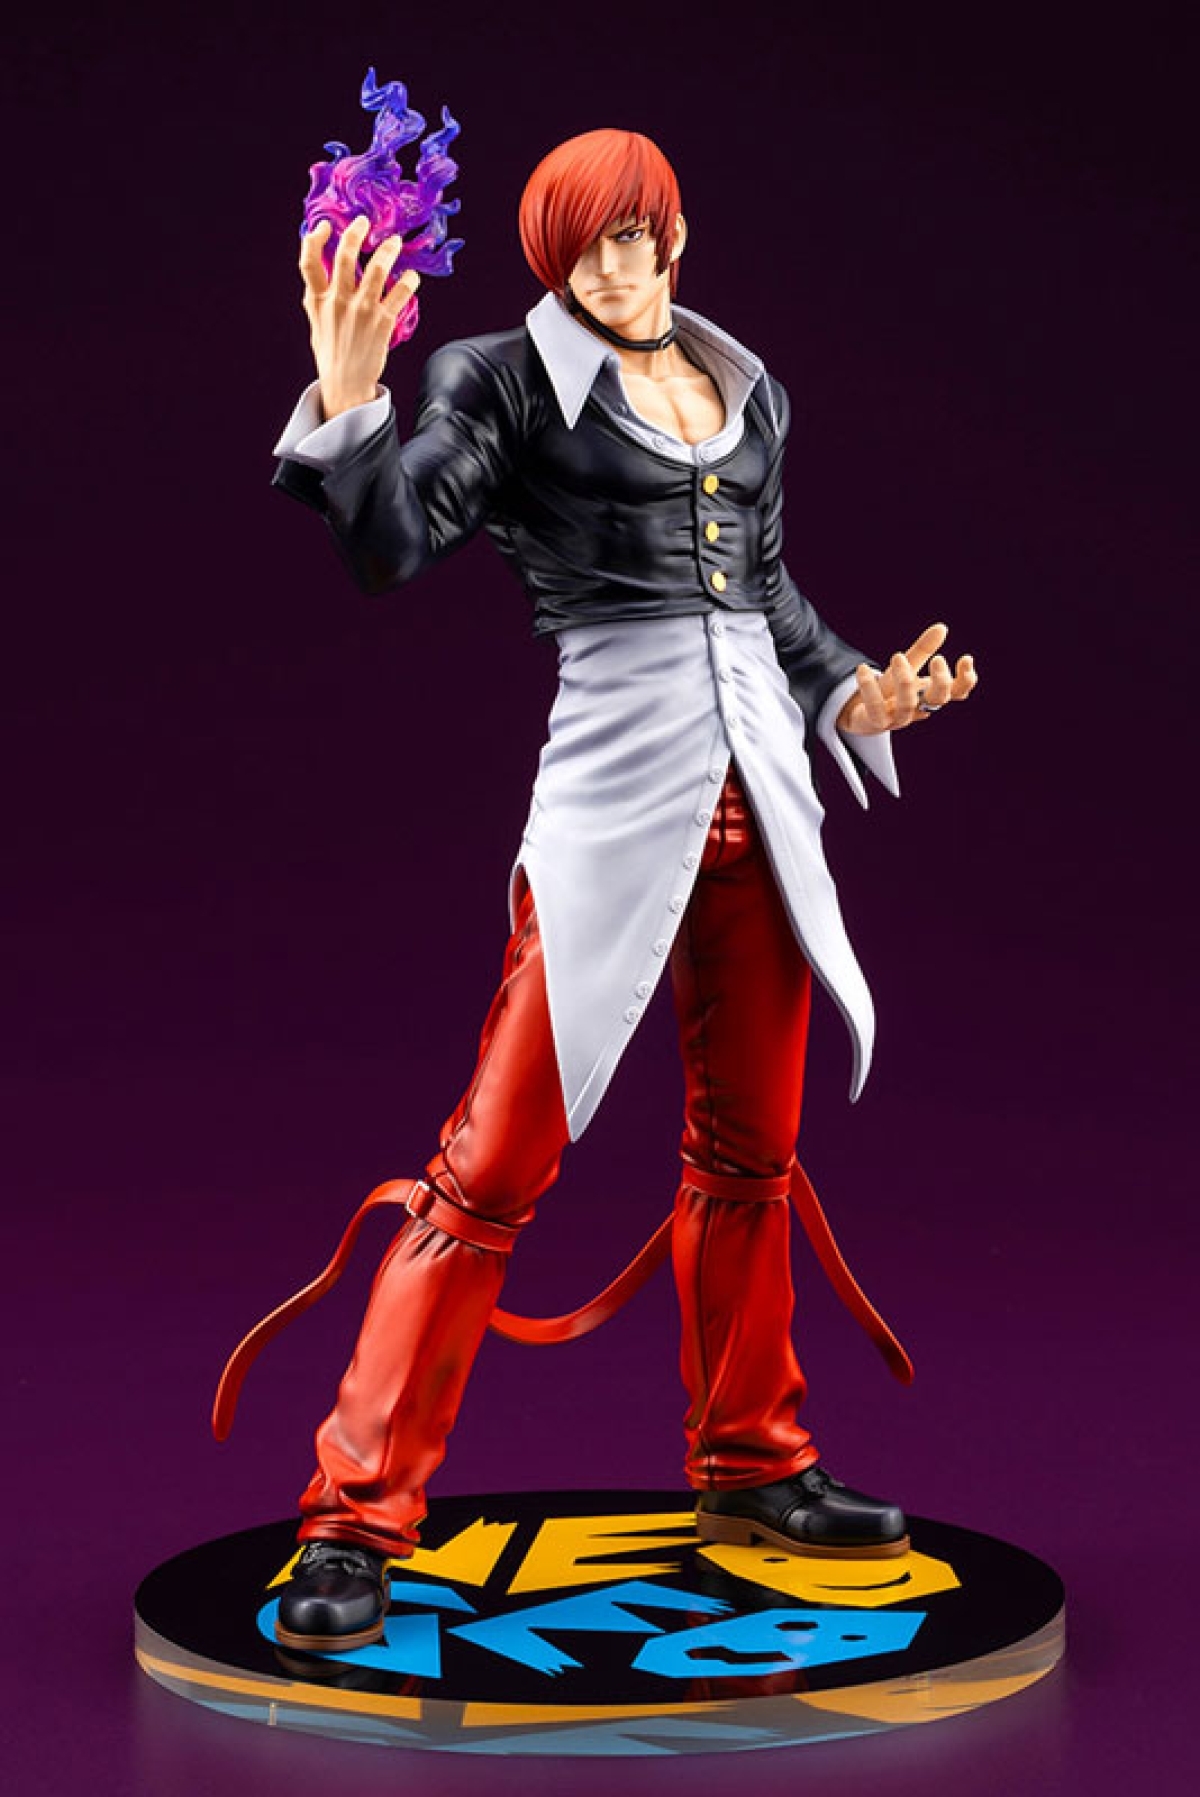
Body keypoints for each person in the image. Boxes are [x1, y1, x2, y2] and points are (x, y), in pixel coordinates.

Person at [223, 128, 977, 1653]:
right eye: (588, 246)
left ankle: (751, 1462)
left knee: (752, 1150)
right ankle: (354, 1514)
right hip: (617, 791)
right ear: (554, 260)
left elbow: (766, 597)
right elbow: (392, 545)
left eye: (638, 236)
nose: (618, 266)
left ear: (676, 234)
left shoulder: (747, 392)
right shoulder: (504, 383)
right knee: (490, 1163)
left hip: (764, 800)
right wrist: (353, 402)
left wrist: (857, 694)